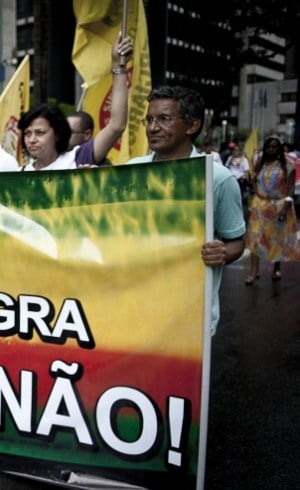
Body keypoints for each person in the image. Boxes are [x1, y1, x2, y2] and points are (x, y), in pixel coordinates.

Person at [126, 85, 245, 335]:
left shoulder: (218, 179)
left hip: (189, 321)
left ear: (192, 126)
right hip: (132, 309)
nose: (152, 127)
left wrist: (222, 252)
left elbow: (237, 242)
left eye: (164, 119)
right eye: (149, 119)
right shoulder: (131, 171)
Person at [18, 32, 133, 171]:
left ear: (58, 134)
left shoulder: (78, 158)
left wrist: (118, 66)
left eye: (40, 132)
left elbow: (116, 126)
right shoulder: (21, 173)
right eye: (27, 133)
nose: (32, 140)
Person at [244, 135, 300, 285]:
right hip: (259, 206)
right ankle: (254, 272)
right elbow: (254, 182)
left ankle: (276, 267)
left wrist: (285, 209)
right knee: (254, 239)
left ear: (279, 149)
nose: (271, 149)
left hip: (278, 206)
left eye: (274, 146)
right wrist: (250, 180)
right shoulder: (258, 164)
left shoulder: (287, 166)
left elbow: (290, 190)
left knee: (276, 240)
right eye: (268, 146)